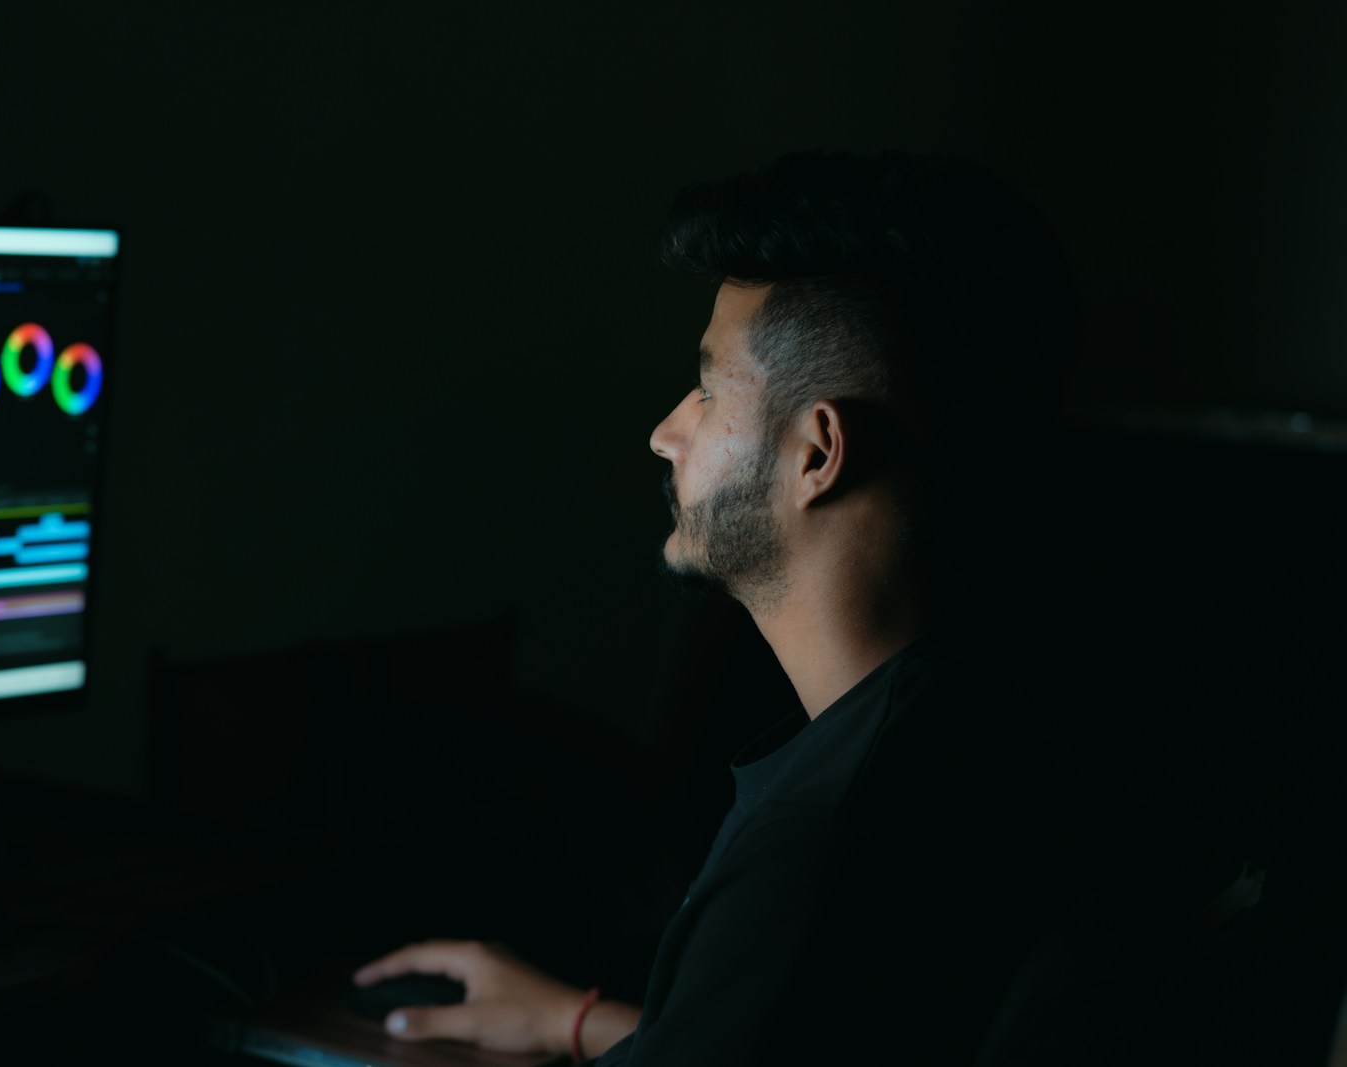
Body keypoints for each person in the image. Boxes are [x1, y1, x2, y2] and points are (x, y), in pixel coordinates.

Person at [354, 149, 1092, 1064]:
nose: (668, 432)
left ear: (818, 453)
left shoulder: (819, 847)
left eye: (707, 389)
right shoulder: (976, 730)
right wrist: (572, 1020)